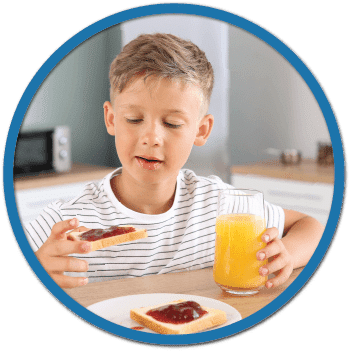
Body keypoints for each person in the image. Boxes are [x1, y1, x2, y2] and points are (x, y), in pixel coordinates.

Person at [25, 33, 324, 289]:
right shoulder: (65, 222)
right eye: (134, 119)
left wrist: (287, 253)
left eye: (172, 123)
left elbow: (310, 226)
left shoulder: (221, 205)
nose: (152, 137)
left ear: (201, 130)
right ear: (111, 119)